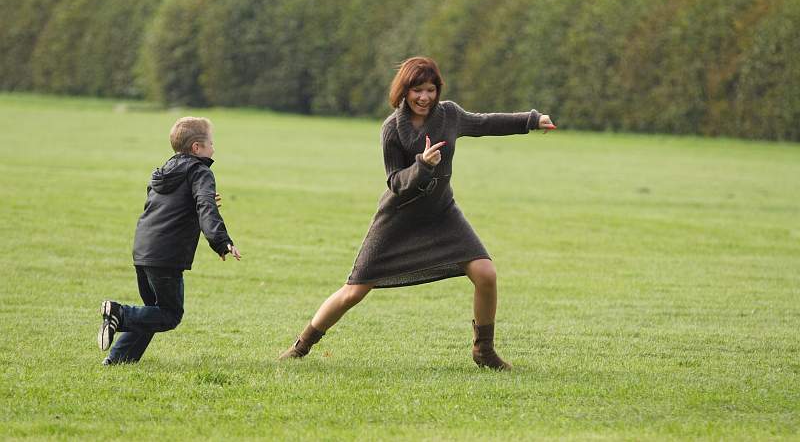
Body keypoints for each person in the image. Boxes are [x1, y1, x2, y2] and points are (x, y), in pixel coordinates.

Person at [279, 56, 556, 370]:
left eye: (430, 89)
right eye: (417, 90)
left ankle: (484, 351)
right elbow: (396, 182)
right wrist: (422, 166)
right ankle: (301, 348)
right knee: (354, 291)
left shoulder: (449, 115)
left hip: (442, 213)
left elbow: (485, 122)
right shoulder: (391, 130)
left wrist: (531, 120)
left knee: (486, 274)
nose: (424, 97)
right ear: (404, 91)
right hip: (399, 218)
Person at [97, 116, 242, 365]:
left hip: (143, 249)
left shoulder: (164, 171)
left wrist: (196, 203)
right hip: (166, 255)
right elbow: (205, 205)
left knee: (152, 310)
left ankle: (119, 358)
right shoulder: (200, 171)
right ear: (197, 148)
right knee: (169, 314)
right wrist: (221, 240)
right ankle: (119, 313)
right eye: (211, 143)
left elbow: (174, 205)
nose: (214, 148)